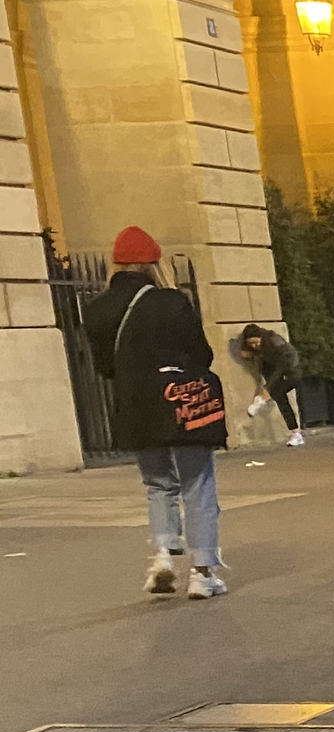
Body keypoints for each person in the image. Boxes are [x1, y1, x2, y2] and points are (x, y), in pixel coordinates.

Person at [83, 226, 226, 599]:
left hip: (135, 406)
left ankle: (163, 555)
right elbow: (201, 353)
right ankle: (202, 573)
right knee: (198, 485)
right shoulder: (170, 301)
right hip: (180, 401)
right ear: (152, 263)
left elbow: (104, 366)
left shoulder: (97, 308)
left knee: (157, 483)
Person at [236, 323, 305, 447]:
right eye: (250, 344)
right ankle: (296, 433)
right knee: (280, 397)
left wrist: (267, 390)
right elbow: (245, 353)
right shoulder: (253, 345)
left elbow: (280, 367)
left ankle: (261, 400)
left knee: (283, 386)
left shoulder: (274, 341)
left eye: (256, 343)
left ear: (261, 337)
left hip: (290, 366)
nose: (254, 346)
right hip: (272, 368)